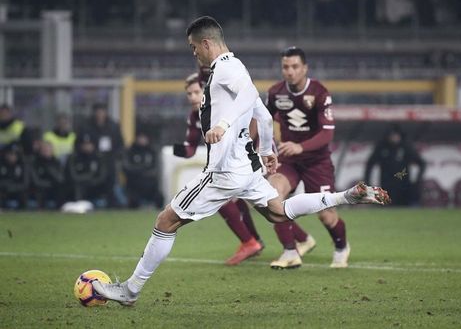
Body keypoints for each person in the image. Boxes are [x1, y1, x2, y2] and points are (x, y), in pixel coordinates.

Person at [91, 16, 390, 306]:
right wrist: (266, 150)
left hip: (224, 170)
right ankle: (347, 196)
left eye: (194, 48)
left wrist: (223, 124)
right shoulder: (235, 66)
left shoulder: (224, 69)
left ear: (206, 44)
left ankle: (130, 290)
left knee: (166, 221)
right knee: (279, 212)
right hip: (246, 167)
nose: (193, 54)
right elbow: (261, 110)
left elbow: (248, 95)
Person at [265, 47, 350, 269]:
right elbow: (263, 119)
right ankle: (290, 251)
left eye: (294, 67)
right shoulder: (275, 92)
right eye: (285, 67)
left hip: (317, 161)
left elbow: (327, 133)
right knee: (273, 196)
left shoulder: (320, 92)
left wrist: (300, 146)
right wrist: (259, 146)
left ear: (305, 68)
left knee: (326, 216)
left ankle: (341, 247)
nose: (290, 72)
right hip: (289, 160)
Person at [173, 72, 264, 266]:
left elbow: (254, 117)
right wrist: (176, 149)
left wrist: (253, 146)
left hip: (248, 157)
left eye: (196, 92)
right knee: (255, 203)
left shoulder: (219, 106)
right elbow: (190, 147)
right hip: (230, 164)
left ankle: (252, 242)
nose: (192, 97)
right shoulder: (195, 116)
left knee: (225, 200)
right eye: (189, 94)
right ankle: (256, 241)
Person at [364, 124, 426, 206]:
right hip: (387, 186)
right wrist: (368, 182)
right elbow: (370, 164)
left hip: (404, 186)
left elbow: (421, 163)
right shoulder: (382, 147)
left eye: (396, 135)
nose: (394, 137)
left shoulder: (406, 147)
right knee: (387, 210)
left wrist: (417, 180)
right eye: (392, 135)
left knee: (404, 210)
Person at [79, 103, 124, 207]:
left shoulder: (113, 126)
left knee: (110, 184)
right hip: (91, 160)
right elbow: (78, 144)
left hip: (109, 160)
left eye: (102, 111)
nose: (100, 114)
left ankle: (110, 206)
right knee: (91, 183)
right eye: (98, 112)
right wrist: (84, 147)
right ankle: (89, 203)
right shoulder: (86, 126)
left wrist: (115, 155)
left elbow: (120, 144)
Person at [122, 130, 163, 208]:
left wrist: (140, 171)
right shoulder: (130, 151)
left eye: (144, 137)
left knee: (160, 198)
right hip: (134, 185)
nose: (143, 140)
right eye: (141, 137)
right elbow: (126, 168)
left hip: (149, 184)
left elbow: (155, 169)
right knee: (132, 201)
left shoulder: (152, 151)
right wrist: (141, 170)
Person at [66, 133, 109, 206]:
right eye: (84, 144)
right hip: (77, 188)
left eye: (89, 144)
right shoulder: (74, 158)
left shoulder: (99, 157)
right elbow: (72, 176)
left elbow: (102, 176)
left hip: (95, 188)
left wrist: (91, 181)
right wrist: (87, 178)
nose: (87, 146)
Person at [29, 141, 65, 208]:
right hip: (40, 189)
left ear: (52, 150)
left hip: (53, 189)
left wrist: (50, 171)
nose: (46, 151)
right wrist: (50, 183)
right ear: (40, 150)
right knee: (39, 191)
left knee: (61, 190)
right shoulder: (35, 162)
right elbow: (36, 181)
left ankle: (60, 211)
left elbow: (60, 178)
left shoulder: (56, 162)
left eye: (48, 150)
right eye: (44, 150)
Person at [0, 143, 29, 209]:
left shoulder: (22, 165)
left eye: (14, 154)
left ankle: (23, 212)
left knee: (23, 194)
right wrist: (6, 186)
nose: (12, 156)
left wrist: (12, 187)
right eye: (10, 154)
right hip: (4, 189)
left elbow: (25, 183)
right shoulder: (2, 164)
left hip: (17, 190)